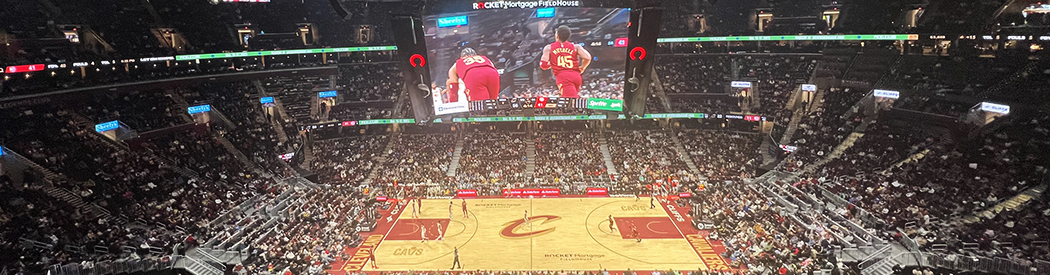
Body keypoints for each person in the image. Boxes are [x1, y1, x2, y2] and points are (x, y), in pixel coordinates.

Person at [540, 25, 592, 98]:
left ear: (557, 35)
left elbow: (543, 65)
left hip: (563, 76)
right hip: (576, 75)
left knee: (570, 100)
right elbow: (587, 57)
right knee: (572, 99)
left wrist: (553, 64)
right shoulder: (576, 47)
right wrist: (583, 67)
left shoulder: (549, 48)